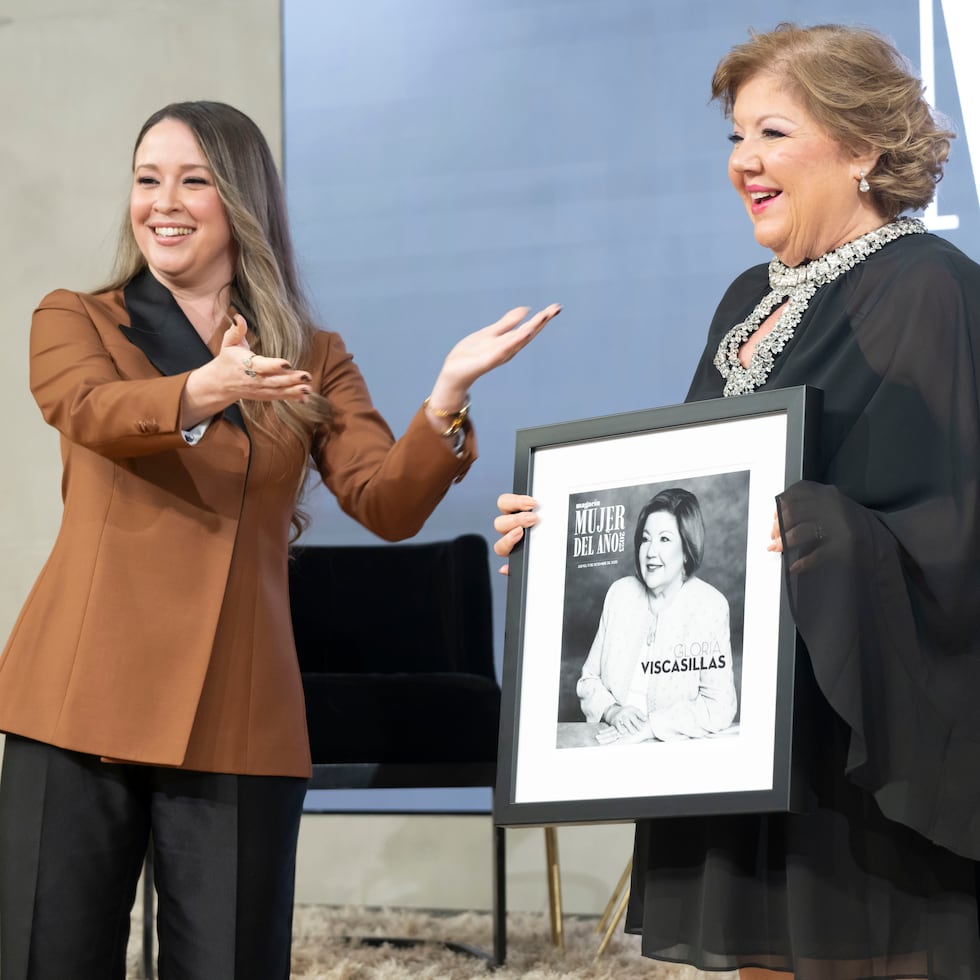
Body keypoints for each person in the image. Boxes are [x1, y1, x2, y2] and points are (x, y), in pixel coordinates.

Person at [0, 100, 559, 980]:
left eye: (194, 180)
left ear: (242, 202)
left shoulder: (313, 352)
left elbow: (386, 502)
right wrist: (202, 389)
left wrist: (446, 400)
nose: (163, 202)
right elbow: (90, 413)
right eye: (148, 180)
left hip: (238, 709)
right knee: (48, 960)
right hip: (78, 698)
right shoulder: (78, 318)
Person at [495, 22, 980, 980]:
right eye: (735, 138)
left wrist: (822, 532)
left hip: (853, 749)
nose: (744, 163)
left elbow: (954, 537)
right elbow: (696, 489)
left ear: (863, 148)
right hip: (749, 734)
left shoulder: (931, 289)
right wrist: (562, 537)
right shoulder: (744, 299)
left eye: (773, 134)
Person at [577, 488, 737, 744]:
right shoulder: (620, 594)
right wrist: (613, 711)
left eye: (664, 539)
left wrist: (652, 726)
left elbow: (719, 706)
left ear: (686, 550)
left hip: (672, 751)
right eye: (645, 538)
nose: (650, 551)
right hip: (608, 741)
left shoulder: (710, 606)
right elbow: (588, 680)